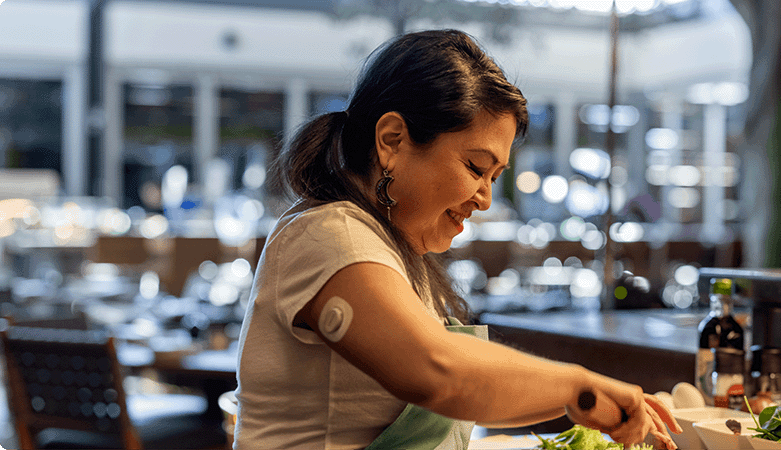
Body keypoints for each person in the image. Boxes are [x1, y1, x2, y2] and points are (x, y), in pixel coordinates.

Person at [233, 29, 682, 450]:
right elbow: (439, 373)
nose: (484, 199)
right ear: (392, 140)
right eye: (475, 168)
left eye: (495, 176)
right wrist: (578, 384)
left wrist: (587, 402)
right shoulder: (329, 235)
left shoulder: (393, 250)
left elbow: (467, 389)